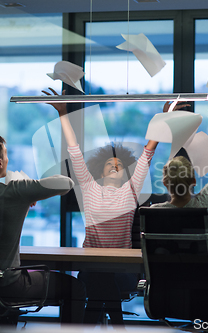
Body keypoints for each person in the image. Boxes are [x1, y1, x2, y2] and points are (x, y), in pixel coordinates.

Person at [45, 88, 189, 325]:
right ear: (100, 171)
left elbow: (147, 153)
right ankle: (118, 325)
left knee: (101, 281)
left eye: (119, 165)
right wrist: (63, 113)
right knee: (98, 278)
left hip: (123, 272)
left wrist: (163, 117)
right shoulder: (89, 189)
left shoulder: (130, 191)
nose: (114, 166)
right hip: (91, 268)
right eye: (109, 164)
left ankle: (88, 327)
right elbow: (75, 152)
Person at [0, 134, 86, 324]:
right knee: (76, 288)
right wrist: (29, 192)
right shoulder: (14, 191)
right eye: (5, 155)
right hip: (8, 285)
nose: (8, 159)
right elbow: (66, 183)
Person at [149, 103, 208, 252]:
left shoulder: (154, 213)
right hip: (204, 275)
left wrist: (165, 120)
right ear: (193, 181)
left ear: (165, 183)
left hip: (166, 276)